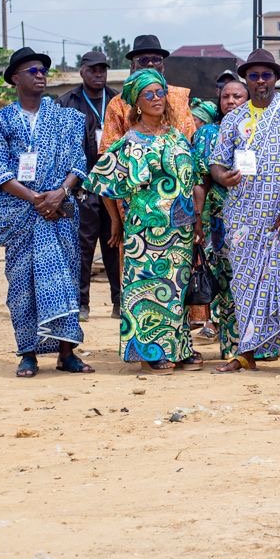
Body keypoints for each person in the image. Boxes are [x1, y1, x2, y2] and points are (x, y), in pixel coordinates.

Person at [84, 69, 204, 372]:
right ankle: (151, 352)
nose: (156, 99)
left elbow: (192, 179)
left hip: (180, 230)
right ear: (137, 102)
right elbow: (103, 182)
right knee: (148, 289)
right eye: (148, 94)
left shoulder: (176, 136)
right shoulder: (129, 141)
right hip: (145, 231)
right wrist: (116, 221)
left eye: (160, 92)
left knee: (176, 290)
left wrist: (197, 221)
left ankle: (178, 347)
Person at [0, 47, 93, 378]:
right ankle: (28, 354)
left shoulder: (66, 118)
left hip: (60, 211)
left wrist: (59, 193)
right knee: (23, 285)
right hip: (21, 215)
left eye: (42, 70)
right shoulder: (0, 120)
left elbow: (80, 162)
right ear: (15, 78)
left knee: (64, 281)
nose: (40, 75)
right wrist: (36, 199)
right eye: (32, 70)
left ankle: (67, 352)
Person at [210, 49, 280, 374]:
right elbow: (216, 162)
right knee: (244, 284)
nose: (260, 82)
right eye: (253, 76)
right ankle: (247, 353)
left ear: (276, 78)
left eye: (265, 75)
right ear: (246, 80)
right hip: (244, 217)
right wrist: (221, 176)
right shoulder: (234, 118)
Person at [191, 82, 258, 359]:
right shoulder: (208, 133)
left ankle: (260, 344)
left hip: (258, 216)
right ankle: (233, 345)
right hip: (221, 220)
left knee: (258, 278)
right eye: (225, 96)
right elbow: (200, 181)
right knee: (229, 282)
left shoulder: (262, 128)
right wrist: (197, 220)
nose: (230, 101)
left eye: (237, 96)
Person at [56, 49, 121, 321]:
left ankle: (119, 302)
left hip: (113, 185)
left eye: (102, 69)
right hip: (81, 185)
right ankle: (81, 303)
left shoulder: (118, 100)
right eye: (93, 70)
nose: (99, 74)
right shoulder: (67, 101)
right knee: (82, 246)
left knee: (115, 244)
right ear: (82, 71)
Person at [100, 34, 196, 150]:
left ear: (163, 66)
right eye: (143, 60)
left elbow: (190, 142)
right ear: (133, 66)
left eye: (156, 59)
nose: (150, 64)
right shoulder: (118, 104)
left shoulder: (179, 97)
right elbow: (109, 152)